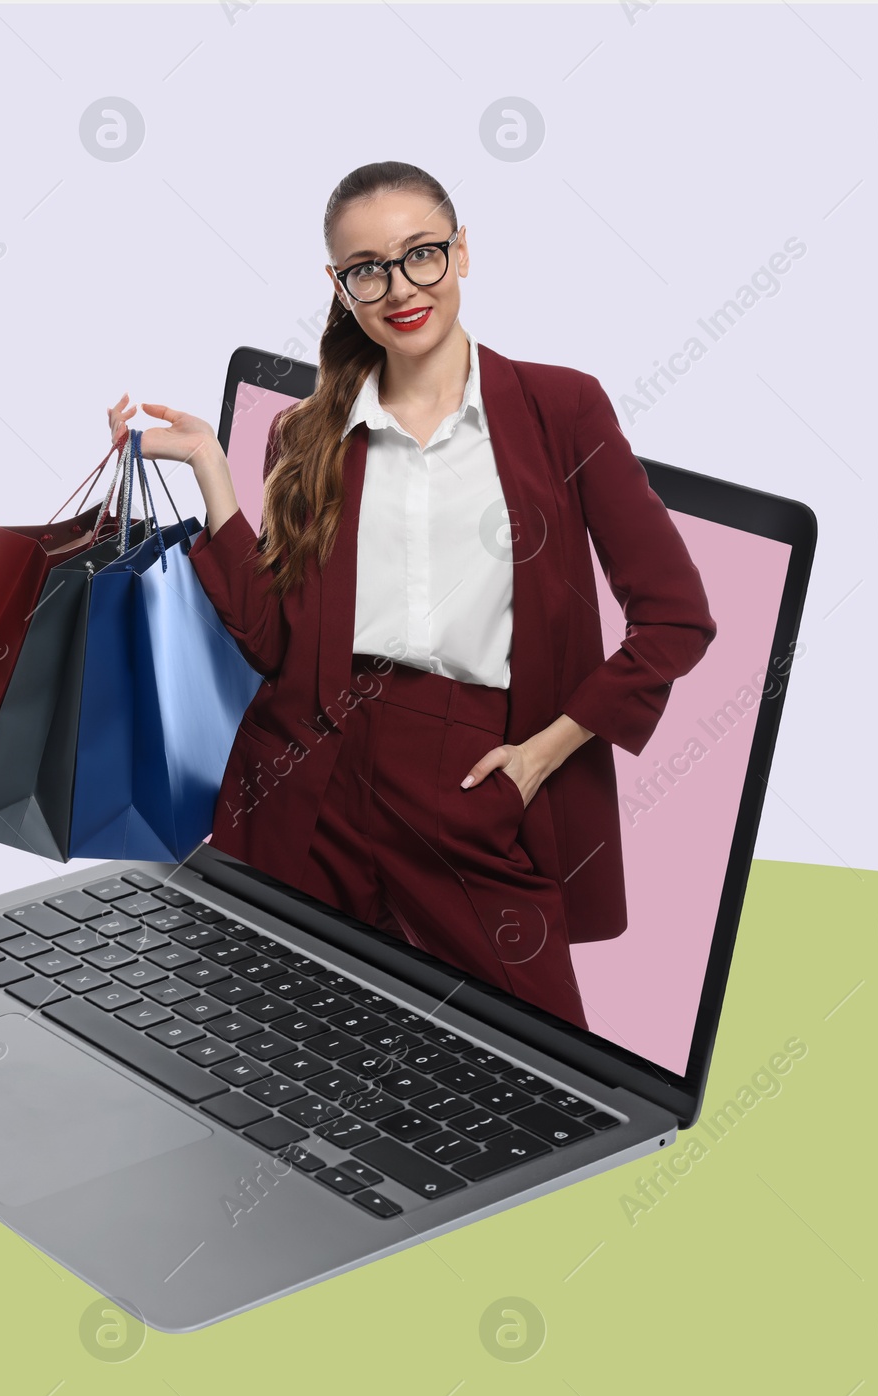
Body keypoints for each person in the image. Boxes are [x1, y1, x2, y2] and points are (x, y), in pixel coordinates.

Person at [106, 160, 715, 1032]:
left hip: (475, 770)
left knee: (542, 1072)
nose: (400, 288)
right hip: (309, 771)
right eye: (369, 270)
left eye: (422, 254)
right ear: (341, 287)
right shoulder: (307, 432)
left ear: (462, 252)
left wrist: (544, 755)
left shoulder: (561, 408)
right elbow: (276, 646)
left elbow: (675, 619)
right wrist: (214, 473)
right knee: (283, 1057)